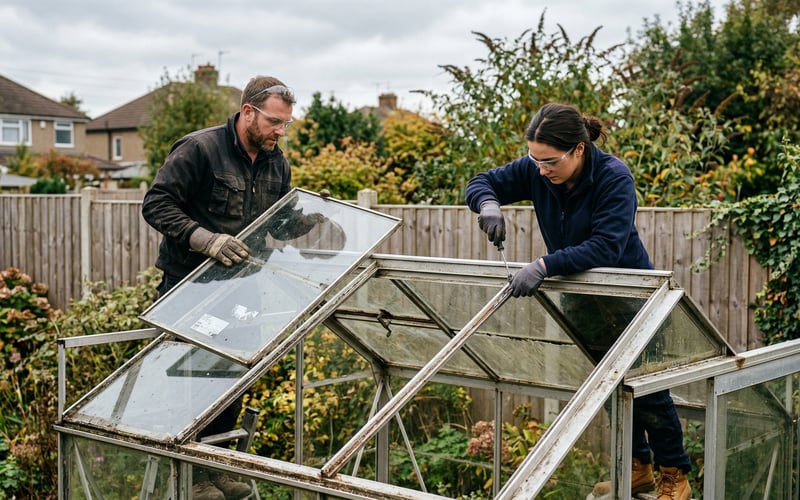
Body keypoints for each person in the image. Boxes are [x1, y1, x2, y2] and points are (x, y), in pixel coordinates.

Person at [465, 102, 692, 500]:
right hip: (583, 299)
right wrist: (487, 203)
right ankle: (636, 468)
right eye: (535, 160)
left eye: (550, 161)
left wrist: (543, 264)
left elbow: (606, 246)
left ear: (579, 150)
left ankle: (674, 475)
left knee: (649, 389)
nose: (541, 170)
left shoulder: (613, 177)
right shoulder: (538, 169)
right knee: (607, 386)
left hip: (630, 296)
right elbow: (481, 181)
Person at [142, 75, 297, 500]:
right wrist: (204, 239)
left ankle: (217, 467)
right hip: (189, 286)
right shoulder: (199, 149)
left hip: (242, 288)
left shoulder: (275, 162)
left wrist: (312, 221)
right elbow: (156, 204)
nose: (280, 132)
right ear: (248, 111)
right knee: (190, 378)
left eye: (286, 124)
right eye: (274, 122)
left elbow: (278, 221)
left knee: (231, 376)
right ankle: (191, 478)